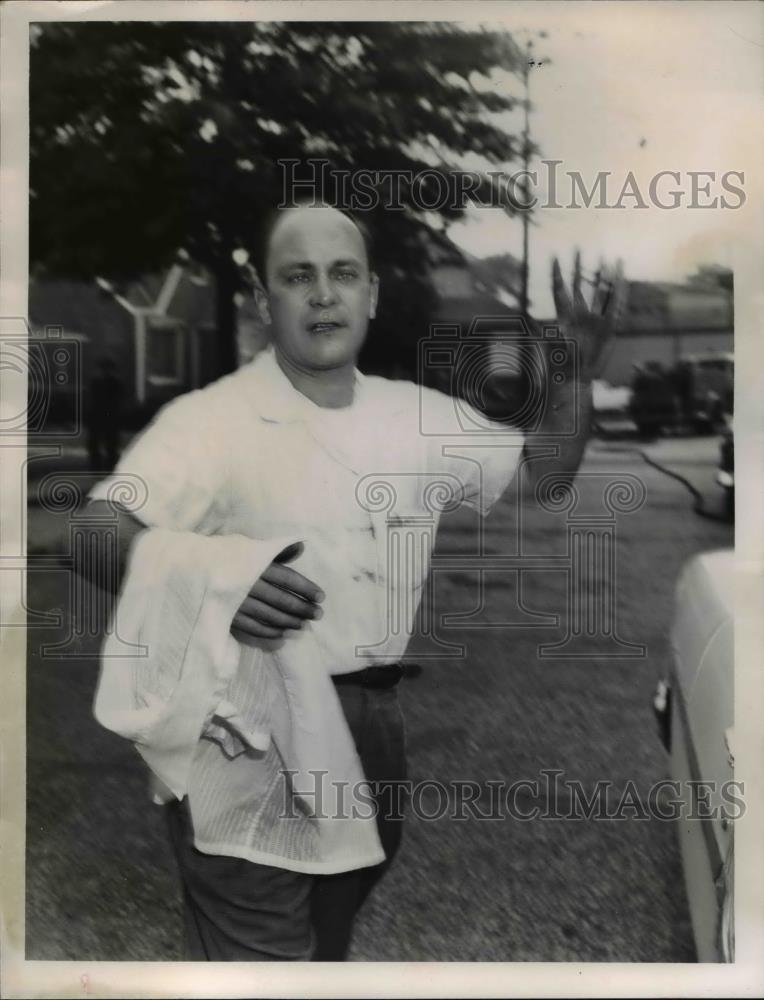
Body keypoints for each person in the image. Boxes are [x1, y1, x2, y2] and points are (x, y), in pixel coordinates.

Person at [82, 203, 623, 961]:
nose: (323, 295)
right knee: (260, 960)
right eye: (297, 277)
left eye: (341, 274)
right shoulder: (207, 422)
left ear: (372, 294)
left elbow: (546, 473)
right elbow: (94, 532)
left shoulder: (415, 415)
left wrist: (571, 371)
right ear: (265, 302)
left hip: (373, 722)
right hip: (248, 723)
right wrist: (217, 584)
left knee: (325, 951)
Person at [86, 356, 124, 470]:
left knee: (103, 442)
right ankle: (105, 465)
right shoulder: (111, 382)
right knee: (106, 442)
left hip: (102, 415)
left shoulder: (100, 382)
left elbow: (92, 399)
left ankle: (101, 465)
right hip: (106, 415)